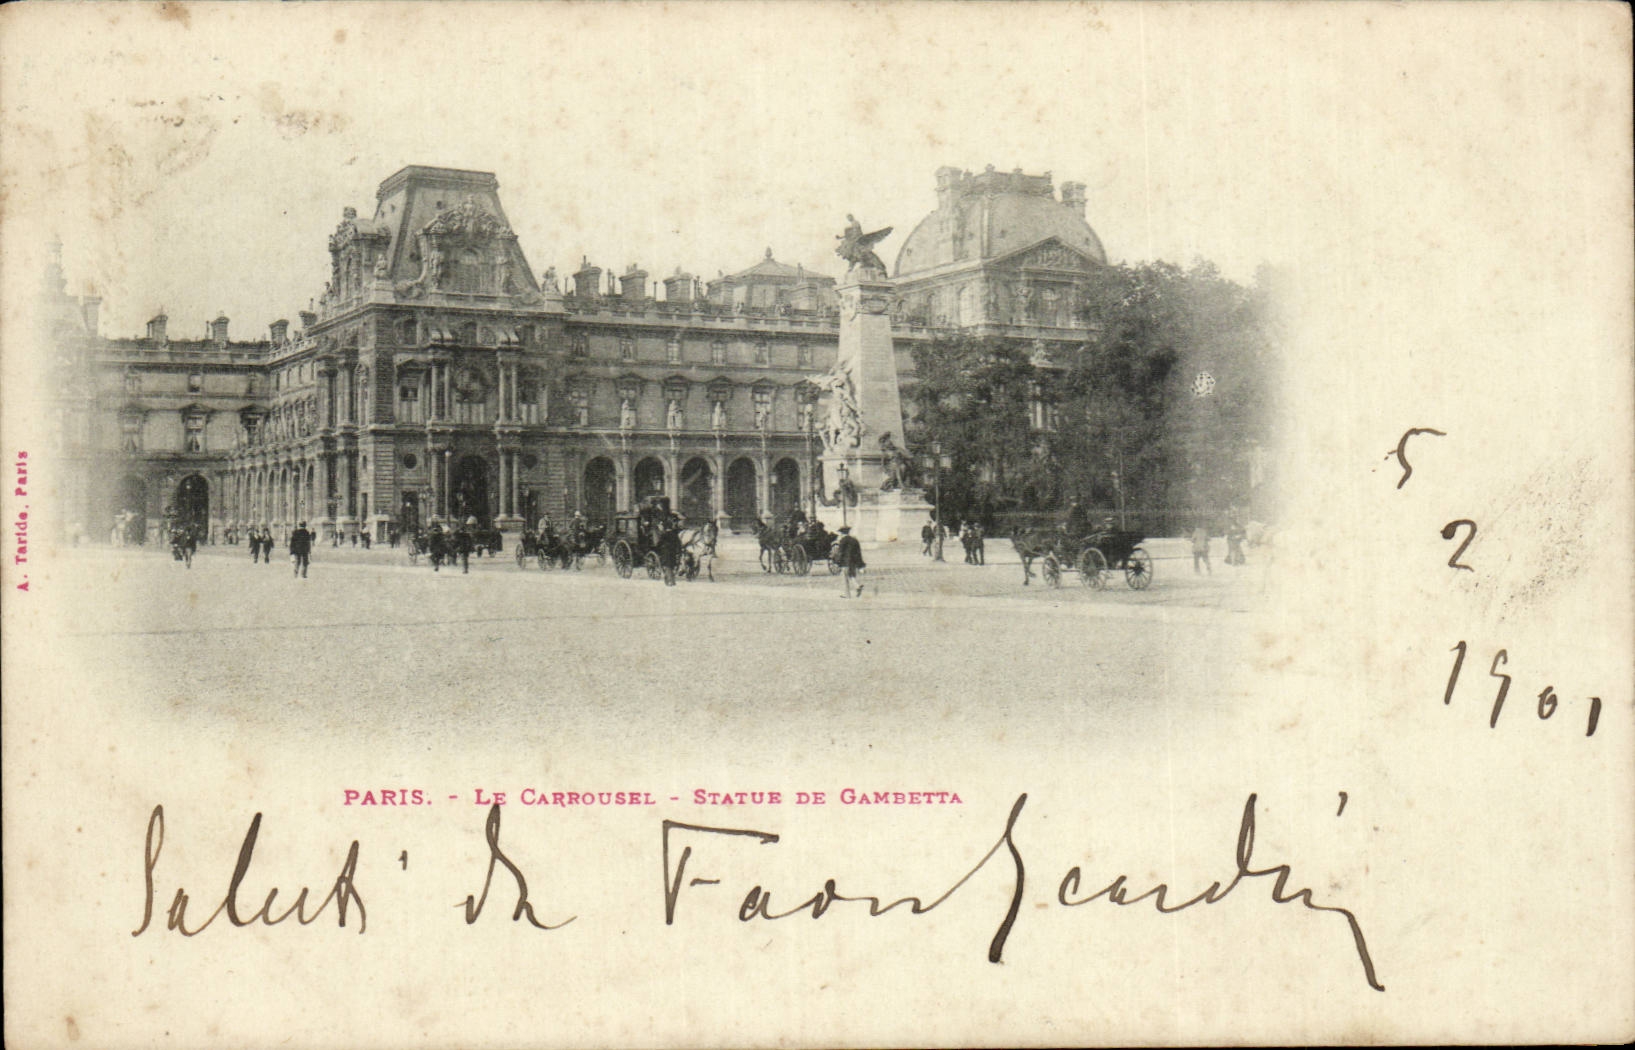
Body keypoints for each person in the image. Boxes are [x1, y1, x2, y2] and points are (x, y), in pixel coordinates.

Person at [834, 524, 866, 598]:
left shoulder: (843, 541)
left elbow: (840, 552)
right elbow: (858, 552)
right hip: (853, 561)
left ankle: (847, 594)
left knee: (845, 578)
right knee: (851, 575)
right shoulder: (854, 540)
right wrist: (860, 564)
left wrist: (837, 562)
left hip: (845, 562)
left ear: (842, 533)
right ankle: (857, 587)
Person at [657, 513, 683, 587]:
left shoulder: (665, 534)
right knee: (671, 567)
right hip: (673, 552)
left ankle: (670, 581)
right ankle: (671, 581)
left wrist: (658, 547)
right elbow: (678, 543)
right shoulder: (674, 534)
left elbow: (660, 542)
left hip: (666, 552)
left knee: (668, 567)